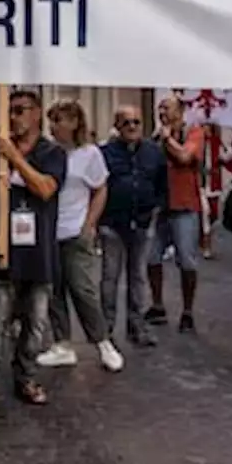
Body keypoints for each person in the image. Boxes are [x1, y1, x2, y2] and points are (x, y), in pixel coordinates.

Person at [0, 89, 66, 412]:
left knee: (34, 325)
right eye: (10, 111)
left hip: (39, 254)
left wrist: (14, 158)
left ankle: (26, 377)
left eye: (21, 110)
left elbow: (45, 188)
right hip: (4, 255)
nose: (14, 117)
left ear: (37, 113)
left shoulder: (51, 153)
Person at [37, 99, 123, 373]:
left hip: (75, 230)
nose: (54, 126)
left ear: (74, 123)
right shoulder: (48, 153)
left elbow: (100, 188)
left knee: (83, 290)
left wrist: (89, 223)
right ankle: (62, 343)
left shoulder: (89, 154)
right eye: (52, 120)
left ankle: (103, 342)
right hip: (49, 230)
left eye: (59, 120)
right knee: (54, 290)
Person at [99, 105, 166, 348]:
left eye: (136, 122)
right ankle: (105, 330)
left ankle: (137, 325)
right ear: (117, 126)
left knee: (138, 276)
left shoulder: (153, 153)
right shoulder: (104, 153)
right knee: (109, 278)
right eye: (126, 122)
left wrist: (155, 209)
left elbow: (161, 185)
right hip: (112, 224)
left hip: (142, 222)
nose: (132, 127)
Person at [148, 95, 205, 333]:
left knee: (187, 260)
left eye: (166, 107)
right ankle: (157, 305)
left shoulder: (194, 132)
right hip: (161, 206)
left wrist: (167, 139)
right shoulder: (155, 138)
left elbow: (184, 157)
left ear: (180, 111)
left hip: (184, 205)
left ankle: (188, 311)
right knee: (152, 257)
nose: (162, 111)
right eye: (160, 107)